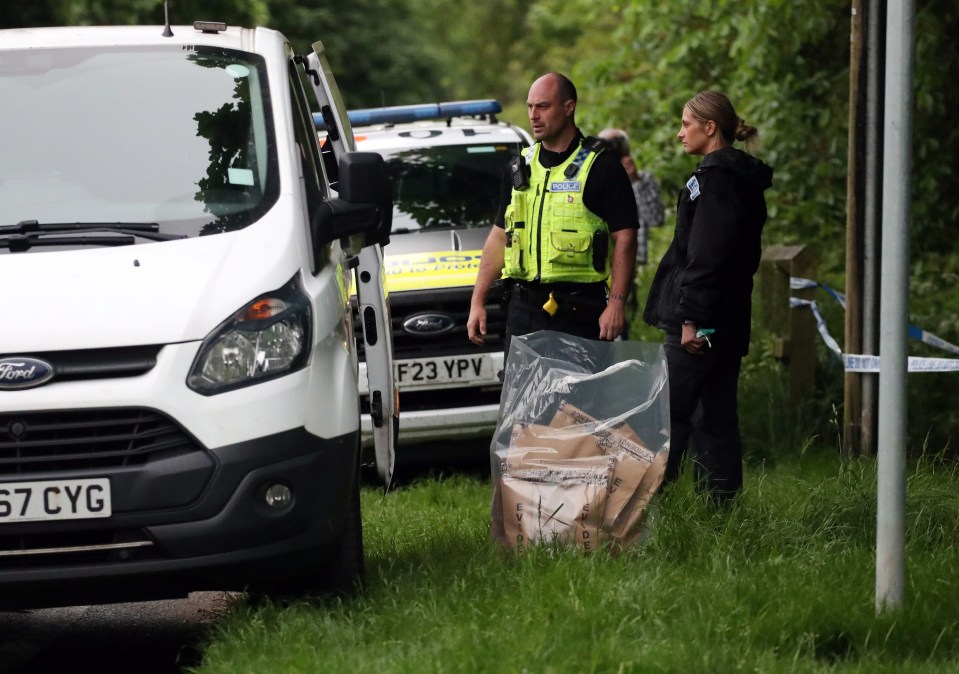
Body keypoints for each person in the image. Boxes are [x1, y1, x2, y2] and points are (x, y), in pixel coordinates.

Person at [643, 91, 773, 502]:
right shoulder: (737, 179)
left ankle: (641, 515)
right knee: (715, 416)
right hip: (728, 315)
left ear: (710, 127)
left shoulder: (716, 181)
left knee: (667, 416)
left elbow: (707, 257)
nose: (680, 133)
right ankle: (721, 512)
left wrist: (691, 319)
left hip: (703, 319)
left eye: (686, 124)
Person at [467, 73, 638, 353]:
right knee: (524, 396)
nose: (534, 115)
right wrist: (477, 301)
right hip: (524, 310)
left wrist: (617, 302)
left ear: (568, 107)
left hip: (579, 308)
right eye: (530, 106)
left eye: (543, 106)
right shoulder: (520, 166)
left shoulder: (601, 167)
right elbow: (499, 237)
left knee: (576, 396)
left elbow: (626, 237)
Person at [597, 128, 664, 266]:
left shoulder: (644, 180)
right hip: (601, 263)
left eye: (617, 144)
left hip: (634, 263)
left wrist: (634, 181)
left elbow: (656, 219)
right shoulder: (593, 180)